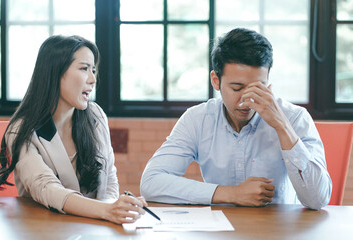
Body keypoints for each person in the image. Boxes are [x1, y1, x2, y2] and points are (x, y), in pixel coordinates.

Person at [140, 28, 332, 210]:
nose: (247, 100)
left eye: (258, 88)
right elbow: (151, 182)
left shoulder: (295, 118)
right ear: (216, 81)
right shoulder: (198, 119)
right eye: (237, 88)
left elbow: (318, 199)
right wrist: (232, 194)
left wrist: (281, 126)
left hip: (279, 230)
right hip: (220, 230)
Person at [0, 35, 147, 224]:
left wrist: (115, 210)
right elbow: (47, 189)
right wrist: (106, 210)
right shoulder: (21, 130)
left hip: (95, 229)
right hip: (44, 230)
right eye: (84, 69)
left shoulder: (96, 116)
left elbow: (109, 180)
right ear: (55, 72)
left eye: (94, 70)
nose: (92, 79)